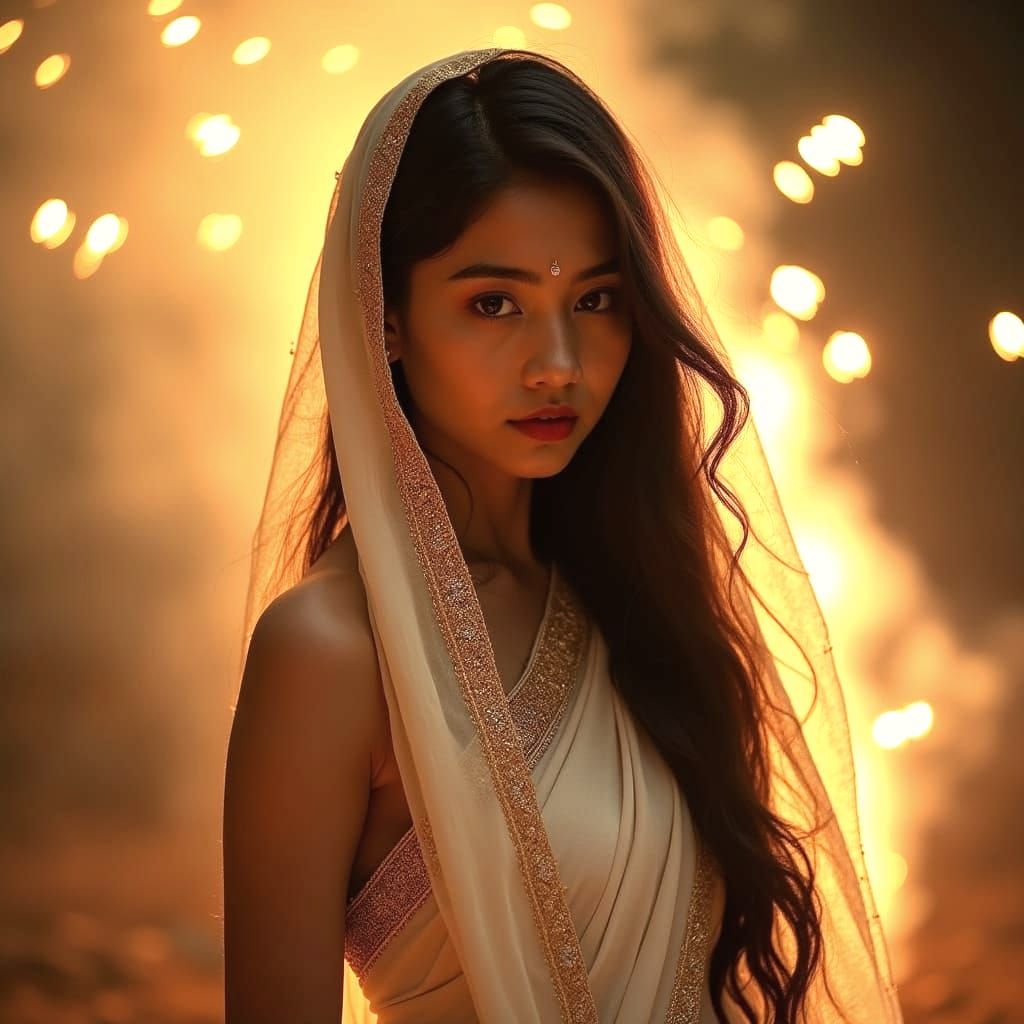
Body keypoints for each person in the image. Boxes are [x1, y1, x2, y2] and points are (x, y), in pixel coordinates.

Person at [222, 47, 904, 1023]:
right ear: (387, 318)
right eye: (493, 302)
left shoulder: (638, 598)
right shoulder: (328, 653)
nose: (556, 364)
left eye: (594, 300)